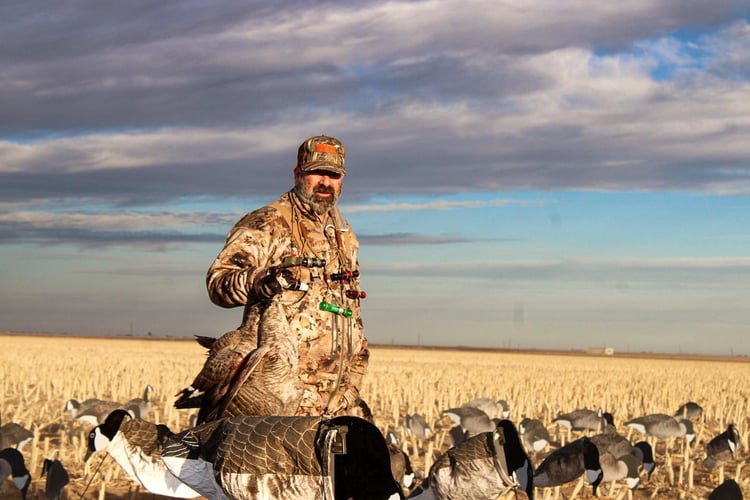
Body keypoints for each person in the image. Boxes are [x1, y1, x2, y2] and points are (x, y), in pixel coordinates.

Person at [204, 135, 369, 418]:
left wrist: (352, 381)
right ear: (298, 173)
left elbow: (352, 313)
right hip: (280, 403)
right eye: (317, 172)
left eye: (333, 175)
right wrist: (259, 280)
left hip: (336, 404)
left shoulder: (343, 233)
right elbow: (219, 282)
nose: (325, 182)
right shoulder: (268, 222)